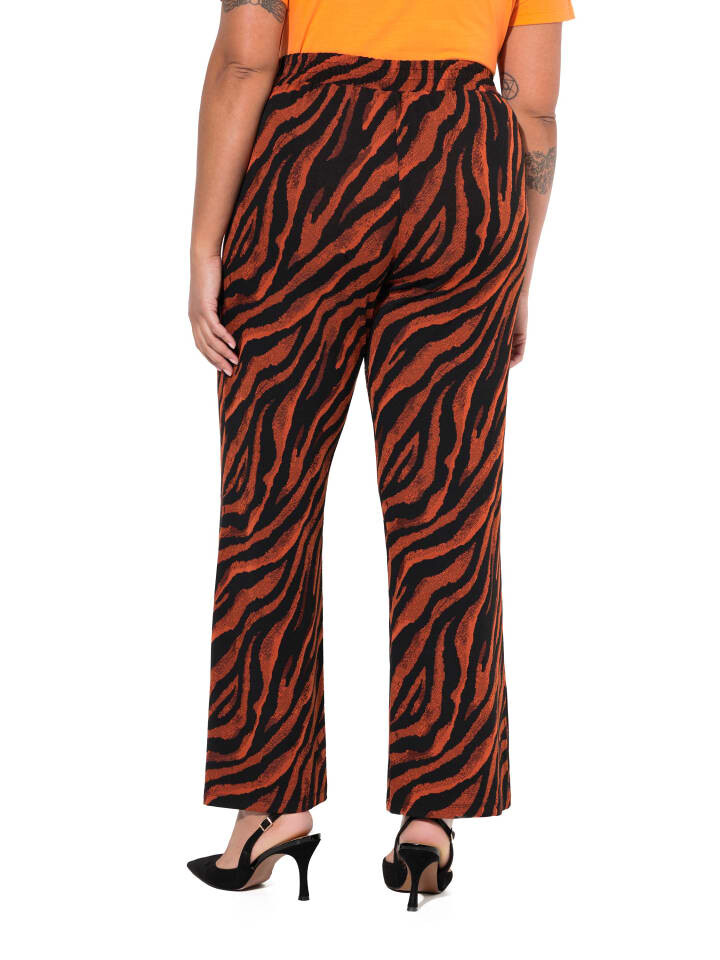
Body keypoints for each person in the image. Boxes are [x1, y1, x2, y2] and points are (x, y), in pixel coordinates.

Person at [186, 0, 573, 910]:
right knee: (449, 511)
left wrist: (205, 244)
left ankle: (269, 805)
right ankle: (433, 814)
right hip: (466, 172)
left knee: (269, 499)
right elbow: (535, 107)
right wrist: (516, 271)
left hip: (312, 165)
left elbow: (245, 61)